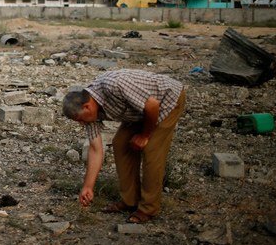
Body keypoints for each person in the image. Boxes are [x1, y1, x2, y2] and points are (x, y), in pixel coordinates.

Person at [62, 69, 185, 223]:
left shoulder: (113, 86)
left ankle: (148, 207)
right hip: (139, 111)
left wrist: (144, 136)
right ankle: (130, 200)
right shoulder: (90, 113)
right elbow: (95, 149)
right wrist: (87, 187)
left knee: (151, 150)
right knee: (120, 143)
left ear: (87, 107)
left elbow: (153, 105)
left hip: (167, 99)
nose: (81, 123)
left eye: (79, 119)